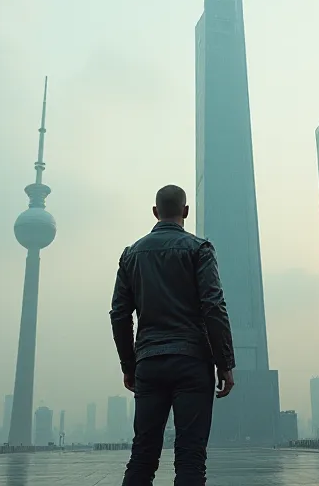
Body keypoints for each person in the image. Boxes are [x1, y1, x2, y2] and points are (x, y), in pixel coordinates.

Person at [110, 185, 236, 486]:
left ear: (155, 212)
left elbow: (119, 314)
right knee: (191, 457)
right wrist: (225, 363)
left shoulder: (131, 255)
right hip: (193, 362)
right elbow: (213, 307)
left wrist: (130, 365)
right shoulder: (199, 249)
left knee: (142, 456)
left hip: (150, 363)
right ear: (186, 211)